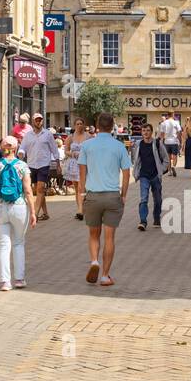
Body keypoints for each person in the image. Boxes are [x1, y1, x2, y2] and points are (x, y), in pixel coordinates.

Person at [78, 112, 131, 287]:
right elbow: (126, 173)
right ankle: (105, 276)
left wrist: (82, 195)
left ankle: (94, 261)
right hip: (112, 195)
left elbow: (82, 174)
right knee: (110, 237)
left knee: (93, 234)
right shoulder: (119, 146)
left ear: (97, 125)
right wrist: (123, 194)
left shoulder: (86, 146)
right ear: (112, 125)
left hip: (93, 195)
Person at [0, 135, 36, 290]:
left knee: (3, 245)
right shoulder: (22, 166)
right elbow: (27, 191)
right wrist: (33, 211)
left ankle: (5, 281)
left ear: (2, 148)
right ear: (15, 148)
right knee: (19, 243)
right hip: (19, 206)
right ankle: (19, 279)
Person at [129, 123, 170, 231]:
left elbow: (166, 159)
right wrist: (136, 171)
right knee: (144, 198)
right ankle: (143, 221)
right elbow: (135, 158)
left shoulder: (157, 143)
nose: (145, 132)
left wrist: (161, 170)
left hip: (155, 176)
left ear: (151, 132)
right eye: (143, 131)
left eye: (147, 130)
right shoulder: (139, 144)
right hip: (144, 175)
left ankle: (157, 218)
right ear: (141, 132)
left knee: (158, 199)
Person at [19, 112, 58, 221]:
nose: (38, 121)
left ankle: (35, 213)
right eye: (36, 120)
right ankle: (45, 213)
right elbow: (22, 147)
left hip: (44, 164)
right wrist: (21, 153)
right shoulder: (28, 135)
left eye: (40, 119)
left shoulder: (48, 134)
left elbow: (54, 148)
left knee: (40, 188)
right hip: (31, 164)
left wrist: (58, 163)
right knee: (37, 190)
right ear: (33, 121)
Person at [64, 118, 90, 220]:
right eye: (77, 124)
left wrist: (84, 154)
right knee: (76, 189)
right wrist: (72, 153)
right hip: (73, 164)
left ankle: (81, 211)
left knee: (81, 188)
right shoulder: (70, 137)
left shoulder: (88, 137)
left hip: (84, 164)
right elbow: (66, 150)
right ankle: (80, 209)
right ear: (74, 125)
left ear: (84, 125)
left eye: (81, 124)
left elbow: (92, 150)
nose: (79, 125)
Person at [158, 112, 181, 178]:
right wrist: (179, 139)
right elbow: (179, 131)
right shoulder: (176, 122)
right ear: (173, 115)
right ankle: (174, 166)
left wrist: (161, 141)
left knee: (168, 157)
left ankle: (170, 171)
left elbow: (162, 134)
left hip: (167, 141)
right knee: (175, 156)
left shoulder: (163, 123)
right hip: (174, 141)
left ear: (167, 115)